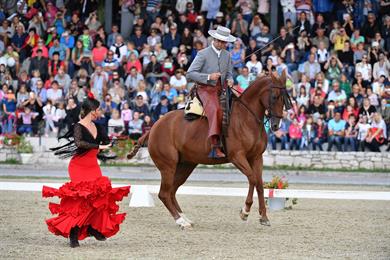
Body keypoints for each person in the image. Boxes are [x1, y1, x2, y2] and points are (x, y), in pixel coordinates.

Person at [42, 92, 130, 248]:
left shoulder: (99, 126)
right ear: (92, 110)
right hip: (78, 167)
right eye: (98, 110)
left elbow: (105, 142)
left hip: (92, 166)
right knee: (80, 201)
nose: (100, 112)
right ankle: (73, 234)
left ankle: (91, 228)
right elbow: (79, 143)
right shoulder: (78, 126)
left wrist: (111, 143)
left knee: (97, 198)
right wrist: (98, 146)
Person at [186, 25, 235, 158]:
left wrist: (230, 79)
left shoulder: (227, 55)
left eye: (224, 42)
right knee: (216, 110)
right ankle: (214, 146)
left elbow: (230, 73)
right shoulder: (203, 54)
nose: (222, 44)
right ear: (215, 39)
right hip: (205, 89)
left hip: (222, 89)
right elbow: (190, 74)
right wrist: (208, 77)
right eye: (220, 41)